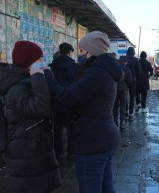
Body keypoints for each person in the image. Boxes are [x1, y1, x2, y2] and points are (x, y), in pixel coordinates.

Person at [44, 31, 121, 193]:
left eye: (81, 50)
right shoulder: (105, 69)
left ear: (91, 51)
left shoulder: (95, 73)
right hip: (104, 138)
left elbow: (66, 97)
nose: (79, 54)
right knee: (107, 189)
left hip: (92, 142)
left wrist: (47, 75)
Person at [0, 41, 61, 193]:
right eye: (38, 59)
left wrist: (46, 77)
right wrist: (39, 78)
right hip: (25, 153)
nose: (41, 62)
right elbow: (40, 109)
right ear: (28, 62)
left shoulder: (27, 80)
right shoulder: (17, 88)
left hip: (33, 148)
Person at [49, 42, 79, 159]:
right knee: (72, 128)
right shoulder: (76, 67)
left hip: (56, 102)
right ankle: (72, 152)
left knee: (57, 129)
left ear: (60, 51)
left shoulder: (51, 67)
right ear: (70, 52)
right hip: (71, 102)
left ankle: (57, 152)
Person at [112, 55, 129, 130]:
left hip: (115, 89)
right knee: (123, 106)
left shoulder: (115, 68)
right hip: (124, 90)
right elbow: (130, 80)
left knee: (115, 106)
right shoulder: (127, 69)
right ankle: (122, 123)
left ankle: (115, 123)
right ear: (125, 62)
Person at [125, 47, 141, 119]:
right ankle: (131, 113)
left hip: (124, 80)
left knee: (124, 96)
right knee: (132, 97)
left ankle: (125, 111)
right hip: (133, 81)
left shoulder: (123, 58)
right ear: (133, 52)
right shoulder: (135, 60)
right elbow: (139, 71)